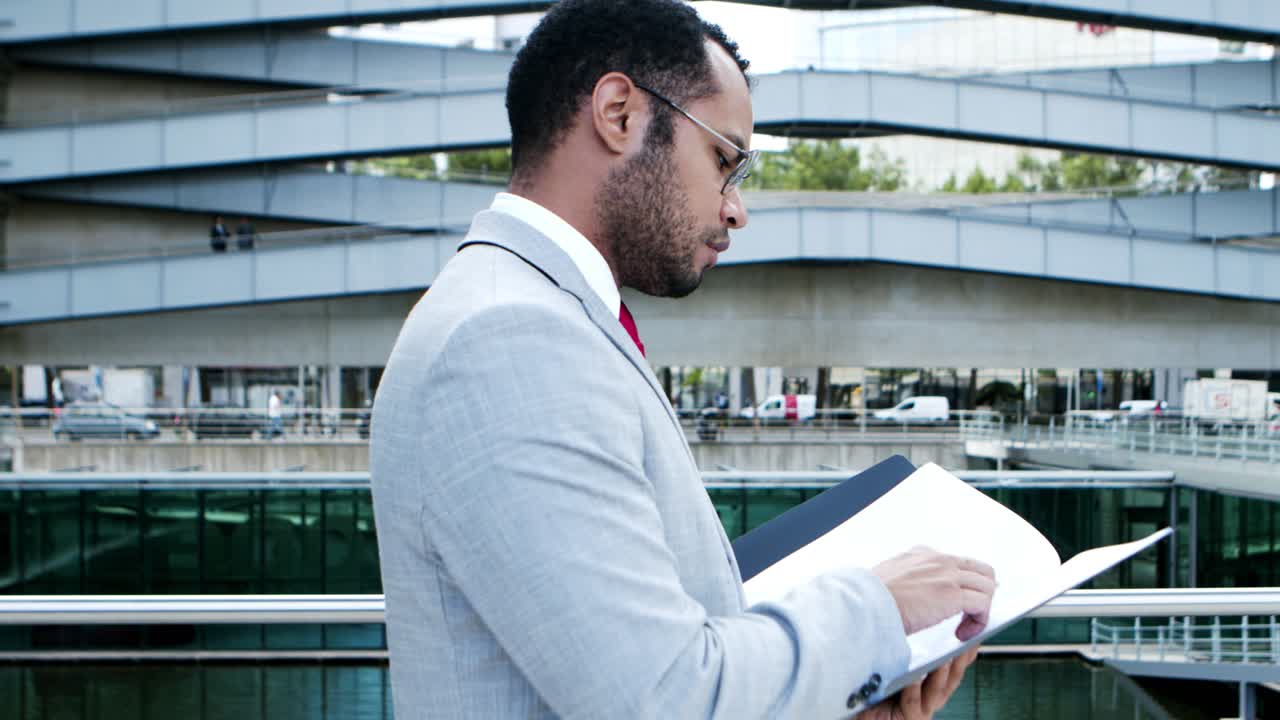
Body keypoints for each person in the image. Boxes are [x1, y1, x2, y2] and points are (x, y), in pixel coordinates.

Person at [369, 2, 996, 718]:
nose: (737, 210)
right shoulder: (510, 340)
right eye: (724, 159)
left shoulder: (534, 316)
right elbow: (667, 699)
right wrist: (876, 608)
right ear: (619, 113)